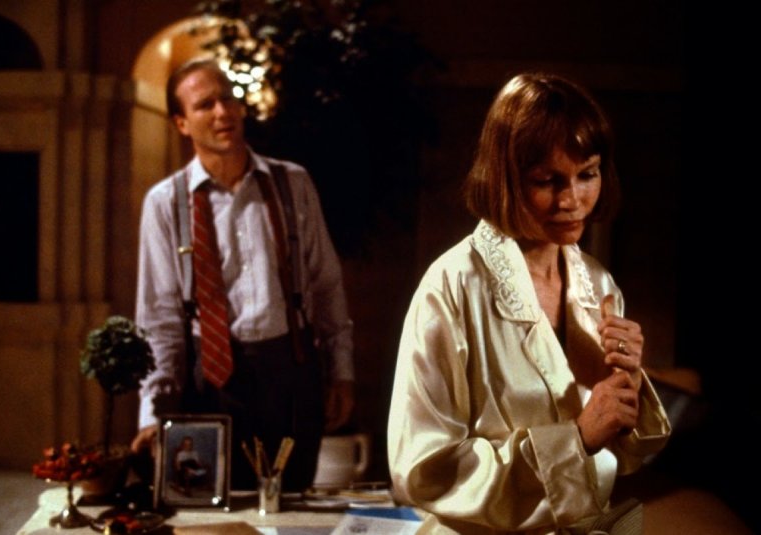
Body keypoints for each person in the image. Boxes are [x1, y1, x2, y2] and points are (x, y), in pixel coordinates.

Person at [387, 73, 671, 534]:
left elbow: (622, 458)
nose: (572, 200)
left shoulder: (597, 282)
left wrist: (628, 387)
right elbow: (424, 471)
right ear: (506, 179)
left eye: (587, 174)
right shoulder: (452, 285)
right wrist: (575, 440)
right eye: (547, 181)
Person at [131, 58, 354, 491]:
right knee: (210, 509)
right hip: (209, 381)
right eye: (205, 105)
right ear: (181, 123)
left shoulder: (292, 183)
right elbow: (159, 319)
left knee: (291, 504)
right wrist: (152, 412)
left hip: (291, 371)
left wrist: (341, 372)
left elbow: (326, 285)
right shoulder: (166, 202)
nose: (223, 112)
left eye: (228, 98)